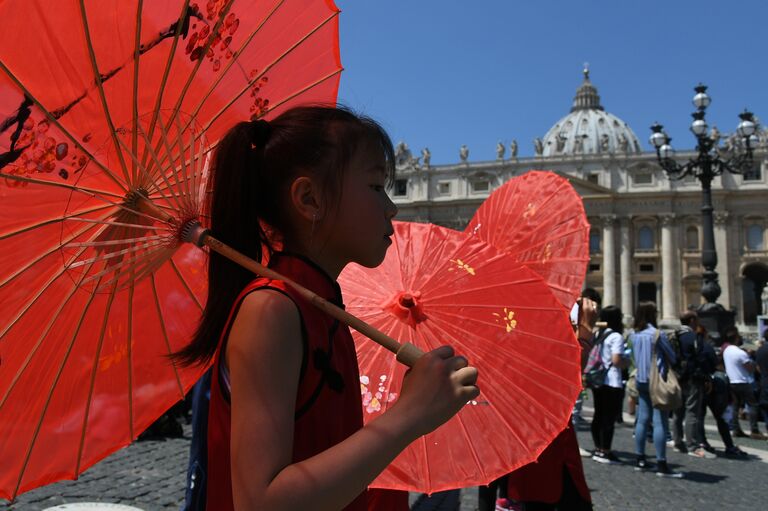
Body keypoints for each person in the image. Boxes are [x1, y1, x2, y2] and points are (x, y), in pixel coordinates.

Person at [174, 106, 480, 511]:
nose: (392, 208)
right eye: (375, 187)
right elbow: (261, 502)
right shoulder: (271, 310)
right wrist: (409, 415)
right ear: (309, 199)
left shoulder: (316, 305)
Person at [629, 301, 682, 478]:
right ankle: (661, 463)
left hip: (640, 379)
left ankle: (640, 459)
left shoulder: (634, 335)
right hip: (656, 381)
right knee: (660, 422)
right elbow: (672, 357)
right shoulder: (657, 334)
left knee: (642, 419)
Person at [670, 311, 715, 458]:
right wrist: (707, 376)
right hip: (692, 378)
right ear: (691, 321)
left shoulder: (673, 336)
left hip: (677, 377)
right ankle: (692, 445)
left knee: (678, 411)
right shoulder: (694, 338)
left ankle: (677, 441)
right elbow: (703, 358)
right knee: (692, 412)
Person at [589, 306, 628, 464]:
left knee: (598, 415)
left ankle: (598, 448)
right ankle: (606, 450)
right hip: (611, 381)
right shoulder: (616, 336)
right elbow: (616, 360)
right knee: (608, 418)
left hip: (598, 379)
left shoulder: (599, 334)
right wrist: (627, 362)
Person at [722, 326, 766, 440]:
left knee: (736, 406)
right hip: (743, 381)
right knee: (753, 405)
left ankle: (736, 429)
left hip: (732, 380)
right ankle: (754, 430)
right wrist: (752, 360)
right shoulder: (740, 353)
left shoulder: (727, 350)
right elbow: (750, 368)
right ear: (736, 338)